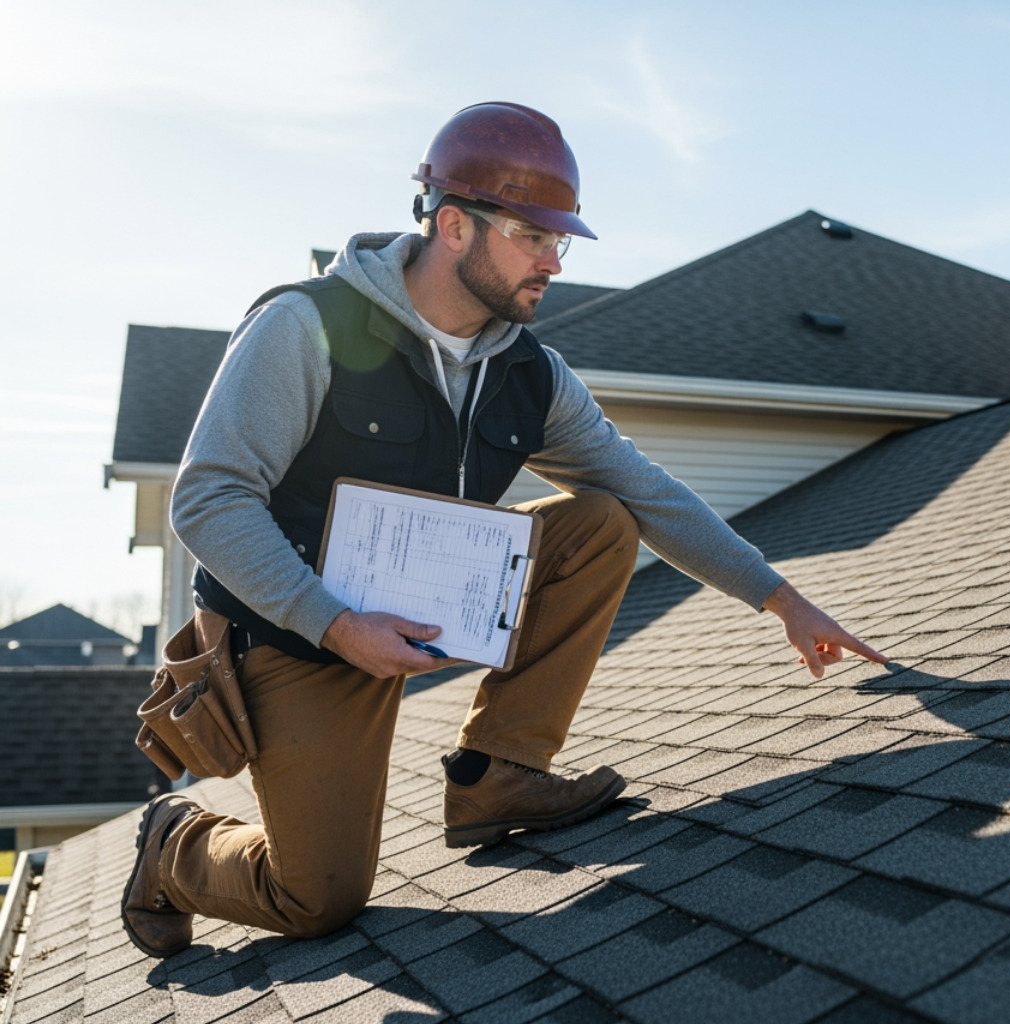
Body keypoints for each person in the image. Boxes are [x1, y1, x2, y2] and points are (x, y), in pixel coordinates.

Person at [120, 102, 886, 957]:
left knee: (602, 519)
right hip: (294, 632)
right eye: (533, 236)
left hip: (422, 599)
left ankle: (499, 775)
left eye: (560, 241)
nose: (554, 261)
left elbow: (646, 490)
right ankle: (174, 846)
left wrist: (782, 601)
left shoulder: (528, 371)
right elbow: (210, 499)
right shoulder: (308, 327)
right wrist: (335, 623)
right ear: (453, 225)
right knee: (316, 898)